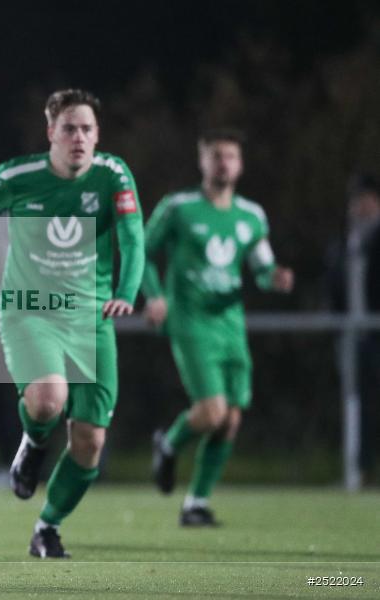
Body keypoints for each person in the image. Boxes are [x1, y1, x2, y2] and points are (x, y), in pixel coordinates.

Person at [0, 89, 145, 558]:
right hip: (28, 310)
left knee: (90, 442)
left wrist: (126, 293)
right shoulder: (19, 175)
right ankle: (32, 444)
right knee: (48, 399)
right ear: (51, 131)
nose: (79, 137)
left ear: (98, 135)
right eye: (70, 128)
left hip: (89, 319)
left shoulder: (113, 174)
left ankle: (46, 528)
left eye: (87, 129)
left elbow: (134, 237)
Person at [143, 129, 295, 525]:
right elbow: (141, 251)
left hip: (231, 325)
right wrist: (155, 295)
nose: (223, 163)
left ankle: (196, 503)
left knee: (230, 419)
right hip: (190, 321)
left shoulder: (251, 215)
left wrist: (274, 277)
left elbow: (261, 269)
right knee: (212, 413)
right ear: (202, 161)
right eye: (216, 156)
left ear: (240, 164)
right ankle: (170, 442)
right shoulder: (179, 207)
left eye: (230, 156)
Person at [325, 174, 380, 483]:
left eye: (368, 200)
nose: (361, 207)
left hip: (376, 332)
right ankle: (359, 471)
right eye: (357, 201)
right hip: (351, 336)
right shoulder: (345, 243)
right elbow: (333, 287)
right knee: (356, 403)